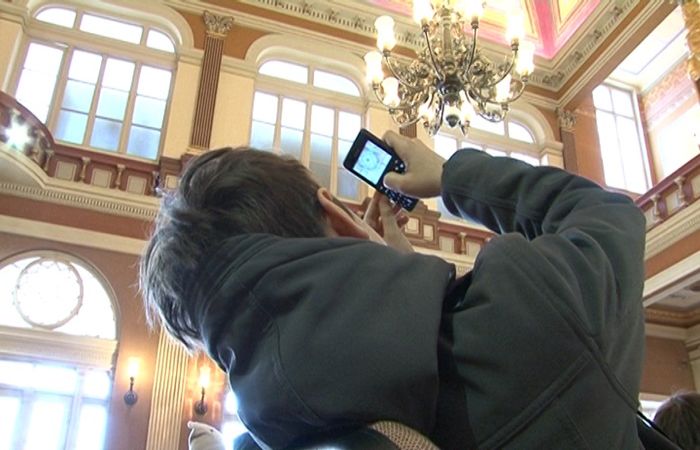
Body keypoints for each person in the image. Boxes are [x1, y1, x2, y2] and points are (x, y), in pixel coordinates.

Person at [140, 130, 647, 449]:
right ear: (339, 218)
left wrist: (408, 280)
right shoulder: (533, 306)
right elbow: (607, 215)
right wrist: (452, 176)